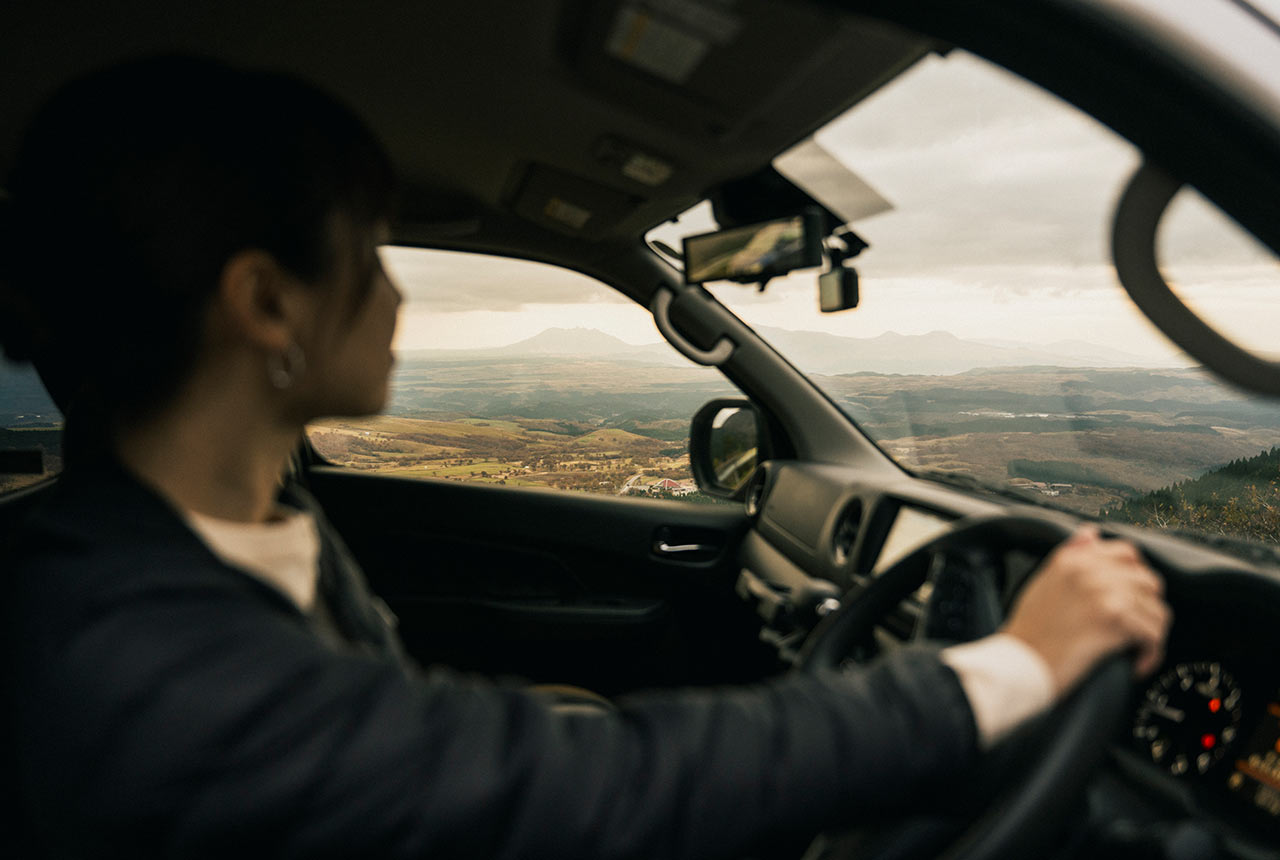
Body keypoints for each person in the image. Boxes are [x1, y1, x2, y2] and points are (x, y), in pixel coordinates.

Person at [0, 57, 1170, 859]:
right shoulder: (130, 649)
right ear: (265, 301)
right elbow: (590, 787)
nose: (398, 293)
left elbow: (410, 734)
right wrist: (1010, 666)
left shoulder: (237, 521)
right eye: (369, 249)